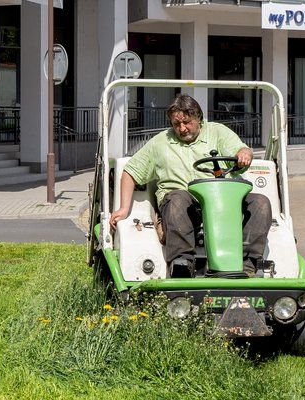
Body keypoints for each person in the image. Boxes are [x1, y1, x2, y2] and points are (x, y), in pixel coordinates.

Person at [110, 94, 271, 276]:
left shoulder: (218, 132)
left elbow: (241, 149)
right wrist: (123, 209)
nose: (182, 128)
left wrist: (244, 154)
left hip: (223, 202)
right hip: (185, 207)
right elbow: (131, 171)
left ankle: (248, 264)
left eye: (187, 122)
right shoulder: (160, 143)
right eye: (176, 124)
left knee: (261, 203)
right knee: (178, 197)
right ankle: (182, 263)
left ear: (199, 118)